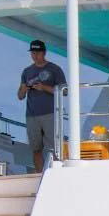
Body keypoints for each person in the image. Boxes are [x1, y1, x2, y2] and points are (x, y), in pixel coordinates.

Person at [17, 39, 66, 173]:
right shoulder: (27, 71)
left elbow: (64, 91)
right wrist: (24, 89)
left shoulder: (55, 69)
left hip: (50, 113)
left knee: (53, 148)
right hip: (32, 115)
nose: (35, 55)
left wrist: (43, 87)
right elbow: (20, 96)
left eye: (37, 52)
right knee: (35, 148)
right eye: (33, 53)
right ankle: (39, 175)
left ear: (44, 53)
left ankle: (55, 173)